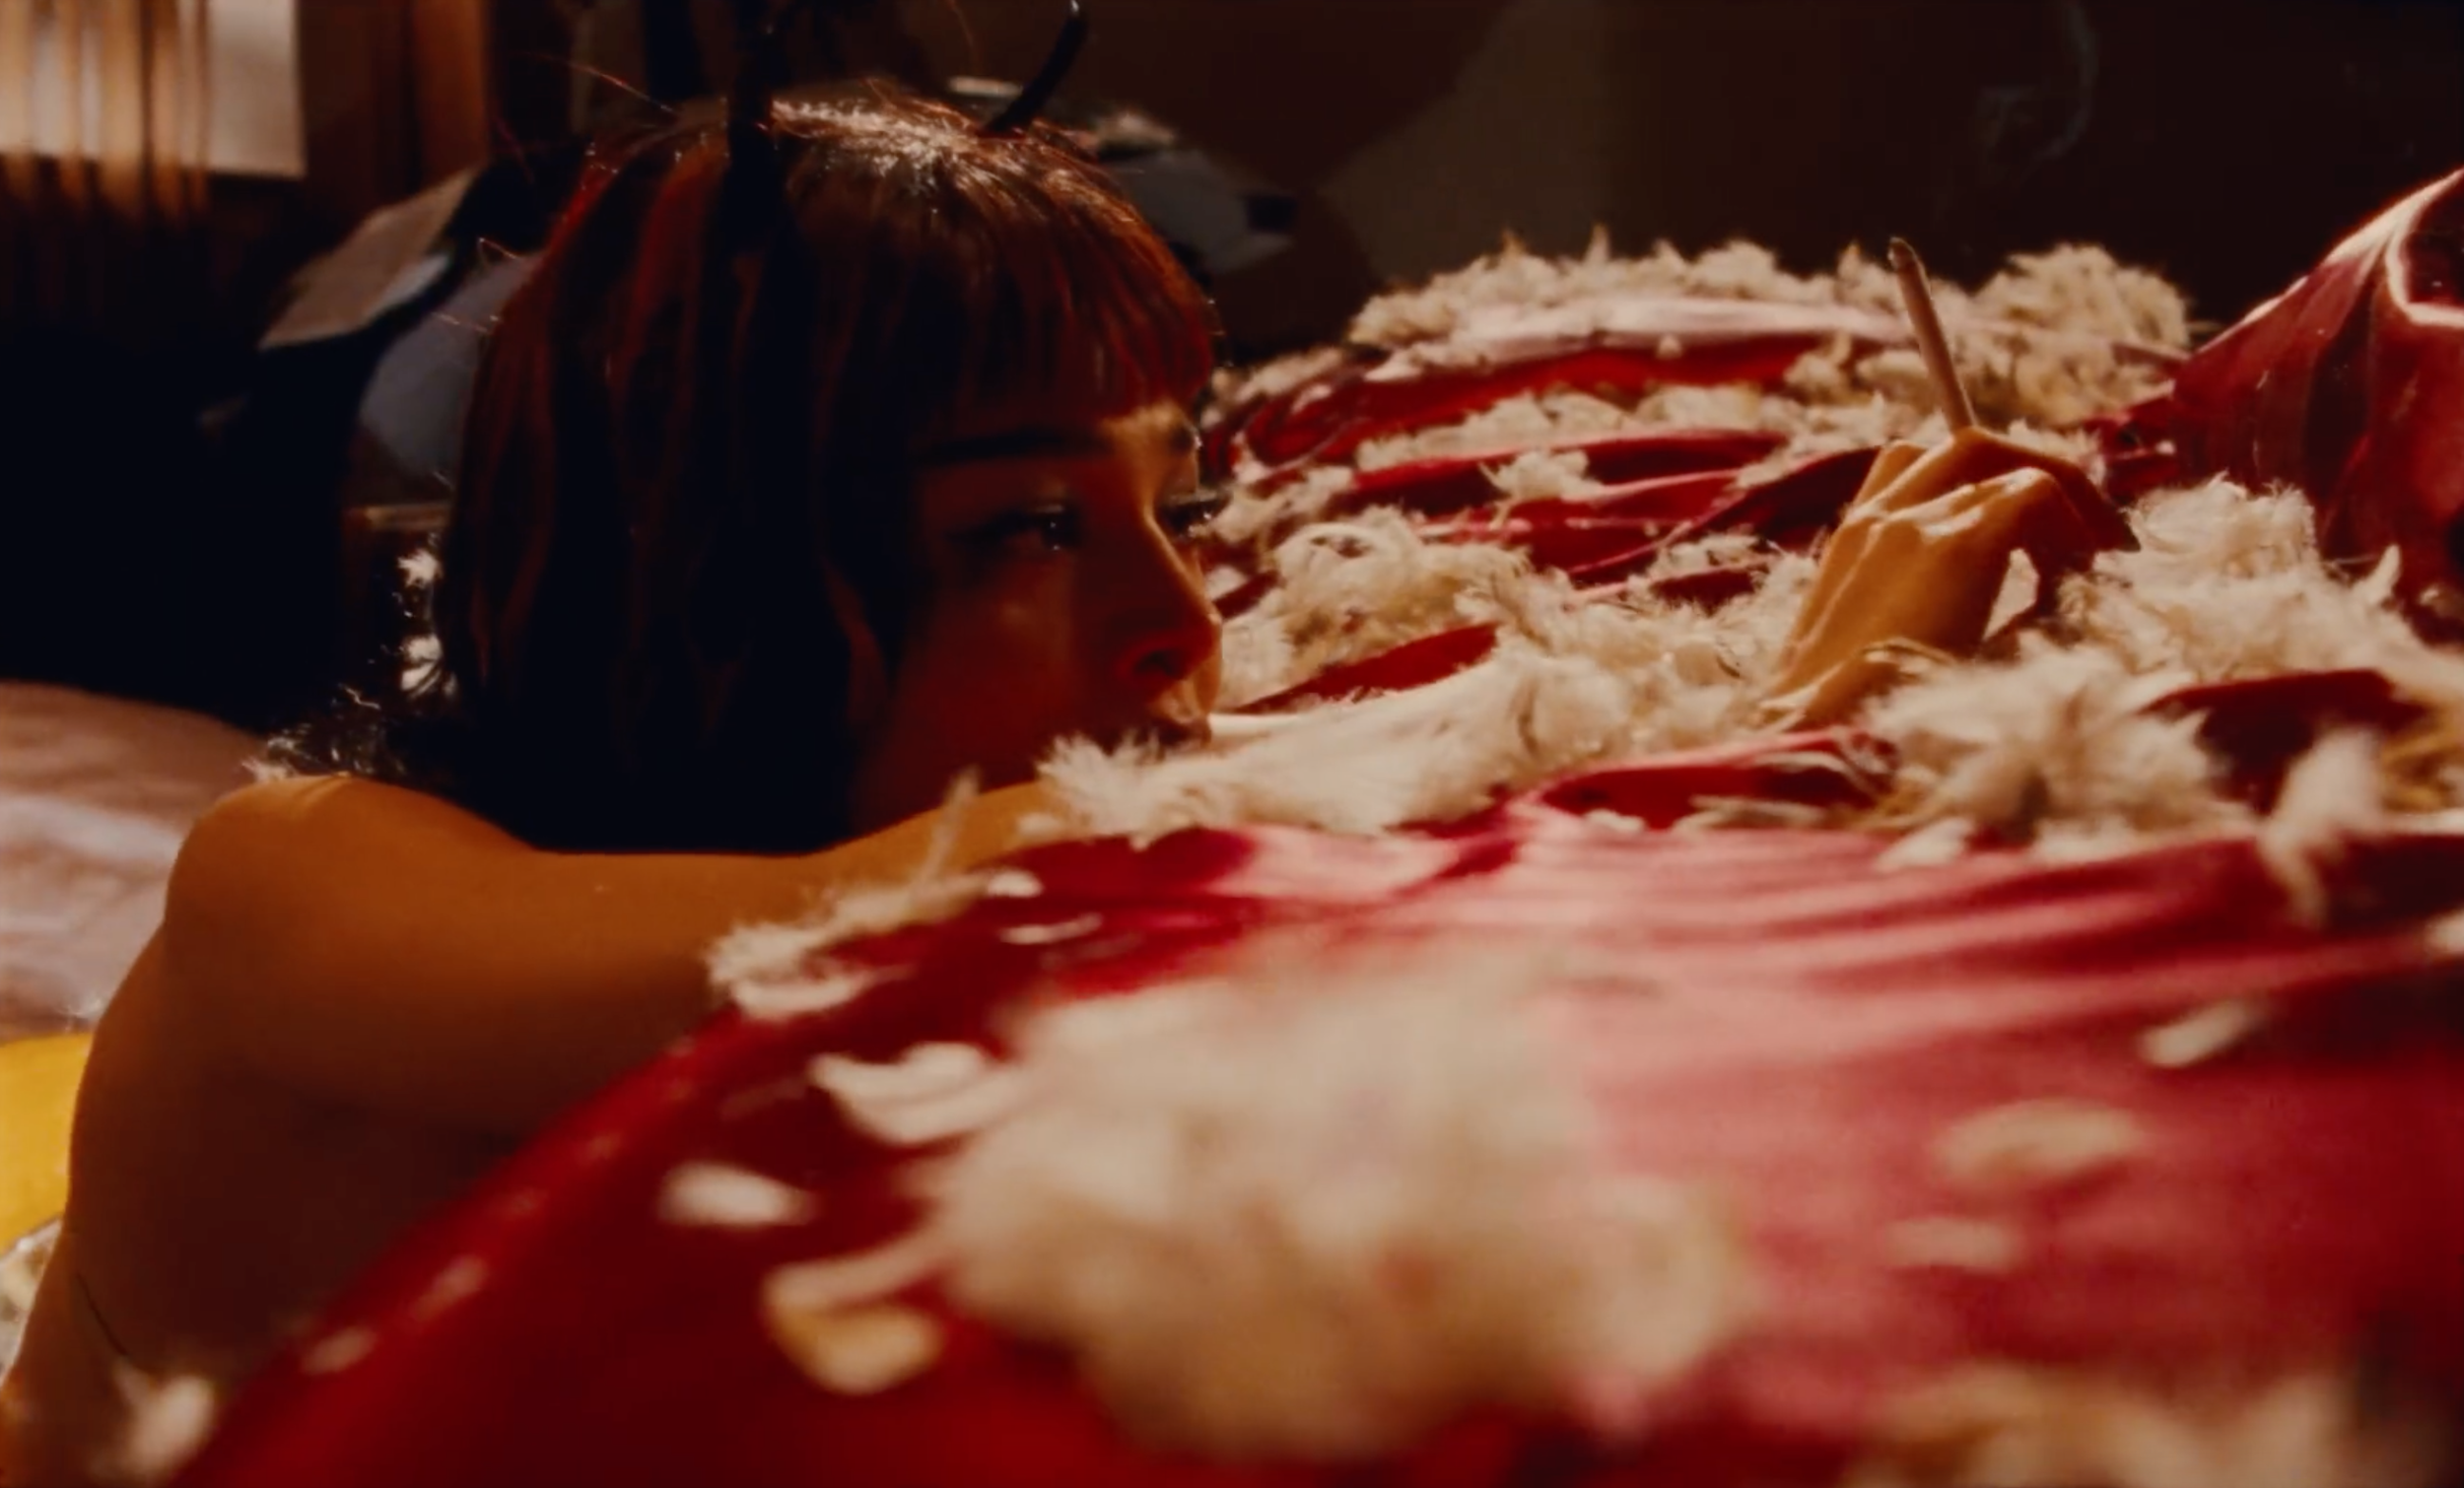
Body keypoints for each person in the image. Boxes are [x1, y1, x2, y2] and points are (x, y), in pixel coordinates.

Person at [0, 61, 2119, 1488]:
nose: (1181, 623)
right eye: (1023, 526)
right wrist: (1771, 733)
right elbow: (877, 920)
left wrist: (1781, 686)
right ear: (712, 573)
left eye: (1172, 508)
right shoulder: (294, 879)